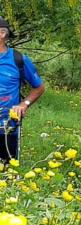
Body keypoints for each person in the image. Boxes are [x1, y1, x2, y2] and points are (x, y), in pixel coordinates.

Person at [0, 18, 45, 163]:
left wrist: (24, 103)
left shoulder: (18, 59)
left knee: (7, 175)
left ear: (1, 34)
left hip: (7, 128)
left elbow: (39, 87)